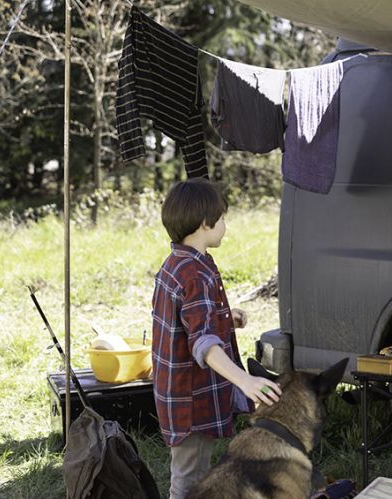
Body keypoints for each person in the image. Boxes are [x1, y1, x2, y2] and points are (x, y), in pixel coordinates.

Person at [151, 178, 282, 499]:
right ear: (204, 224)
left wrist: (225, 318)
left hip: (179, 394)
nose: (225, 225)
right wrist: (245, 381)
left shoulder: (179, 263)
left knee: (196, 473)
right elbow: (202, 344)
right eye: (222, 219)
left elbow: (188, 321)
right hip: (191, 400)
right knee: (188, 479)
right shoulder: (194, 274)